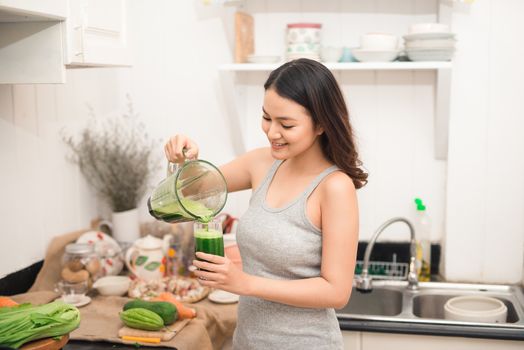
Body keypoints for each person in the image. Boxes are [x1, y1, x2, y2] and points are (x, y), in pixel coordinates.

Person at [164, 58, 367, 350]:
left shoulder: (334, 187)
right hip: (247, 342)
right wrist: (185, 161)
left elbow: (336, 292)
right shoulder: (261, 162)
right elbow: (190, 191)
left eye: (286, 124)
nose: (272, 132)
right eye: (266, 117)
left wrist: (245, 283)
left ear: (321, 123)